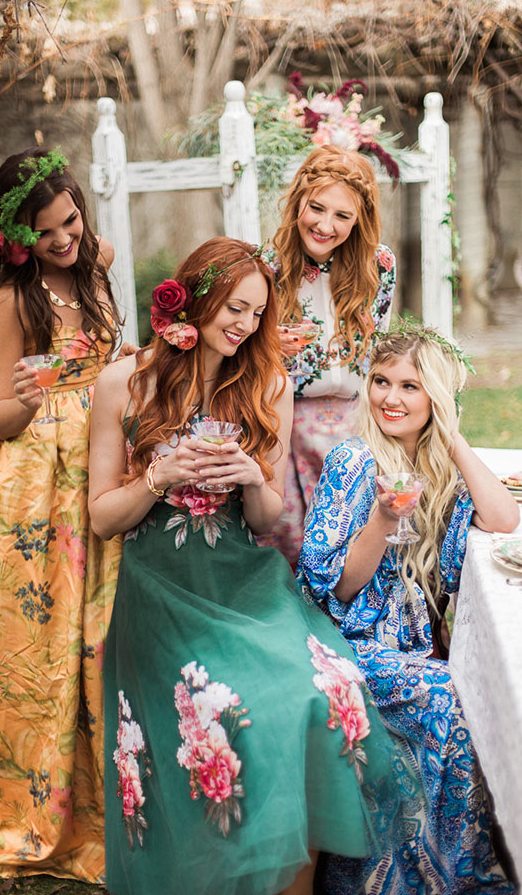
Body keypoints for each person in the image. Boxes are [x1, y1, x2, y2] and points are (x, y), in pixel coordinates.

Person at [88, 237, 421, 895]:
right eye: (233, 308)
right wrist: (159, 476)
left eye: (257, 312)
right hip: (161, 592)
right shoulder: (123, 382)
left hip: (247, 583)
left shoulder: (267, 382)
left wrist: (249, 476)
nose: (244, 324)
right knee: (239, 712)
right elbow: (102, 518)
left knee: (325, 693)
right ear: (195, 298)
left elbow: (268, 519)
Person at [0, 147, 122, 881]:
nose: (65, 238)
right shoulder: (14, 301)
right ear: (18, 236)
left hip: (101, 461)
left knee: (97, 627)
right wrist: (30, 399)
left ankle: (105, 785)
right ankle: (22, 790)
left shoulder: (96, 261)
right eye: (46, 232)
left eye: (70, 221)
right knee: (36, 641)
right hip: (35, 487)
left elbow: (107, 358)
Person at [297, 325, 519, 894]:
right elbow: (337, 590)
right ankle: (455, 877)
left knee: (460, 688)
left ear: (436, 398)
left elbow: (503, 518)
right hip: (347, 643)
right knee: (449, 696)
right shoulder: (353, 461)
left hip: (406, 646)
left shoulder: (436, 466)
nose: (389, 398)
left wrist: (452, 437)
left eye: (410, 386)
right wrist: (383, 519)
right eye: (380, 381)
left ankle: (428, 874)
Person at [258, 145, 396, 567]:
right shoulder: (266, 267)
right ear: (298, 200)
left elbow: (378, 352)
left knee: (352, 542)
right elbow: (237, 352)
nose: (324, 225)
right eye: (316, 208)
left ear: (359, 220)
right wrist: (264, 345)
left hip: (354, 427)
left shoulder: (379, 266)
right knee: (289, 540)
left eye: (342, 215)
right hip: (285, 423)